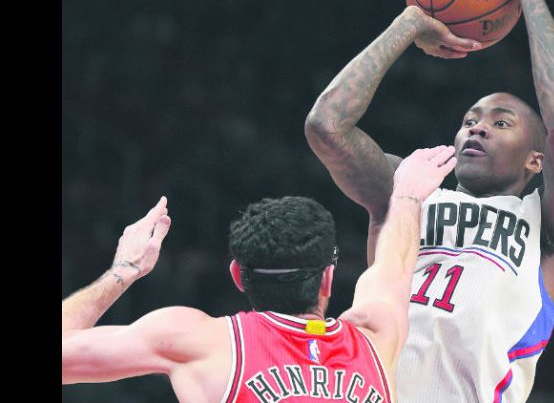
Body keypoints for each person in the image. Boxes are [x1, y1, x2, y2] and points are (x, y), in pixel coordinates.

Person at [304, 0, 554, 403]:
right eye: (469, 120)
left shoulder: (551, 227)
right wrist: (409, 24)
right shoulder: (411, 190)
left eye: (501, 124)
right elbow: (326, 125)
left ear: (536, 159)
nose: (476, 128)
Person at [62, 146, 457, 403]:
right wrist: (408, 196)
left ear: (238, 275)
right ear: (328, 278)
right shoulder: (375, 339)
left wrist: (125, 270)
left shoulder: (198, 340)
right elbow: (395, 267)